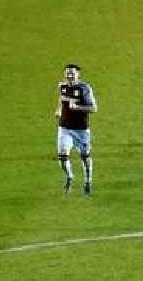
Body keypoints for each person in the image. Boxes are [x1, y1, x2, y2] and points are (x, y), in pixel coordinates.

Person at [55, 64, 98, 196]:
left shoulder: (84, 88)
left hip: (81, 130)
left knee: (85, 157)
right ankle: (69, 177)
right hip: (64, 128)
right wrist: (58, 109)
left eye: (72, 73)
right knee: (62, 157)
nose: (69, 75)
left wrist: (77, 107)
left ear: (78, 74)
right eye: (67, 73)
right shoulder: (62, 86)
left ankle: (87, 181)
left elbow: (94, 108)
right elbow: (61, 100)